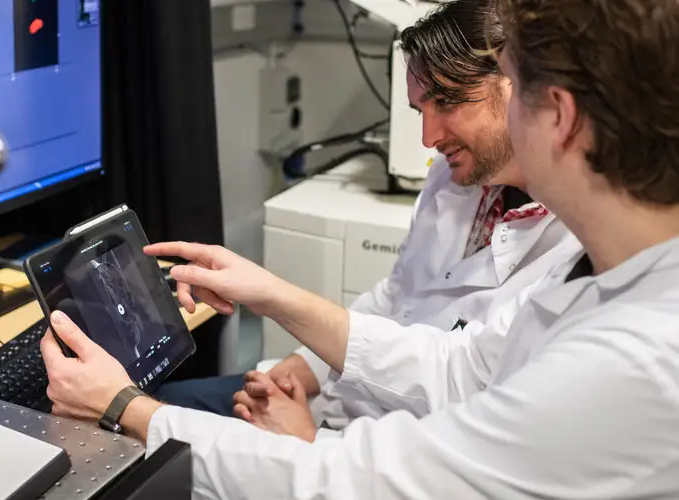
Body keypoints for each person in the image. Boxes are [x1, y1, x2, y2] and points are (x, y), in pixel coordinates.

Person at [42, 0, 679, 497]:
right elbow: (456, 369)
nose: (430, 137)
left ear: (560, 117)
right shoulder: (598, 271)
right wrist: (274, 296)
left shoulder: (633, 361)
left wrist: (128, 408)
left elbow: (349, 484)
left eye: (510, 87)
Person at [153, 0, 582, 428]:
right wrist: (305, 368)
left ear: (520, 87)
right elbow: (397, 295)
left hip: (398, 445)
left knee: (160, 441)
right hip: (346, 401)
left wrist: (308, 445)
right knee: (167, 401)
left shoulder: (578, 249)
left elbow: (460, 382)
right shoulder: (457, 179)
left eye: (447, 102)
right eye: (420, 111)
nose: (429, 137)